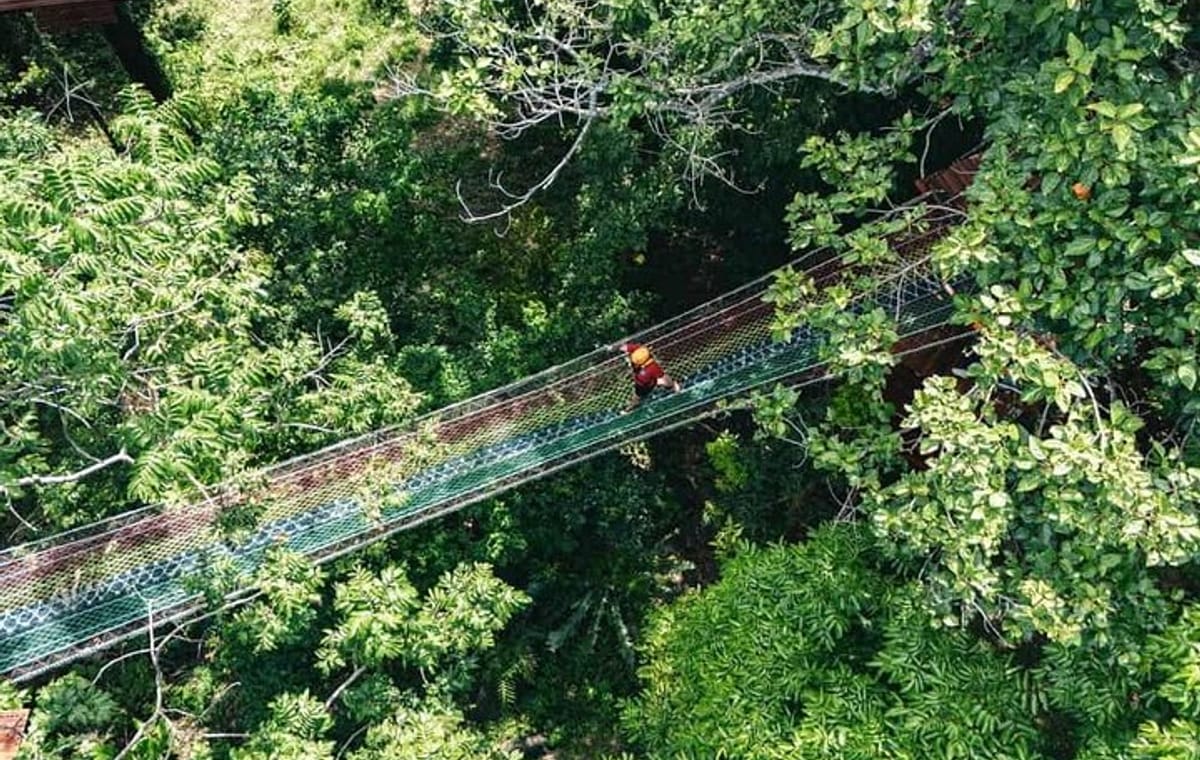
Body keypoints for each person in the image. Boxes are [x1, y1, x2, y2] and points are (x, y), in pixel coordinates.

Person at [616, 342, 682, 412]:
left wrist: (654, 382)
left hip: (647, 383)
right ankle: (675, 387)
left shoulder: (643, 374)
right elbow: (627, 347)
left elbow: (643, 385)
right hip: (655, 374)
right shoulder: (640, 351)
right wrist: (617, 348)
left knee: (638, 395)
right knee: (666, 380)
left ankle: (630, 407)